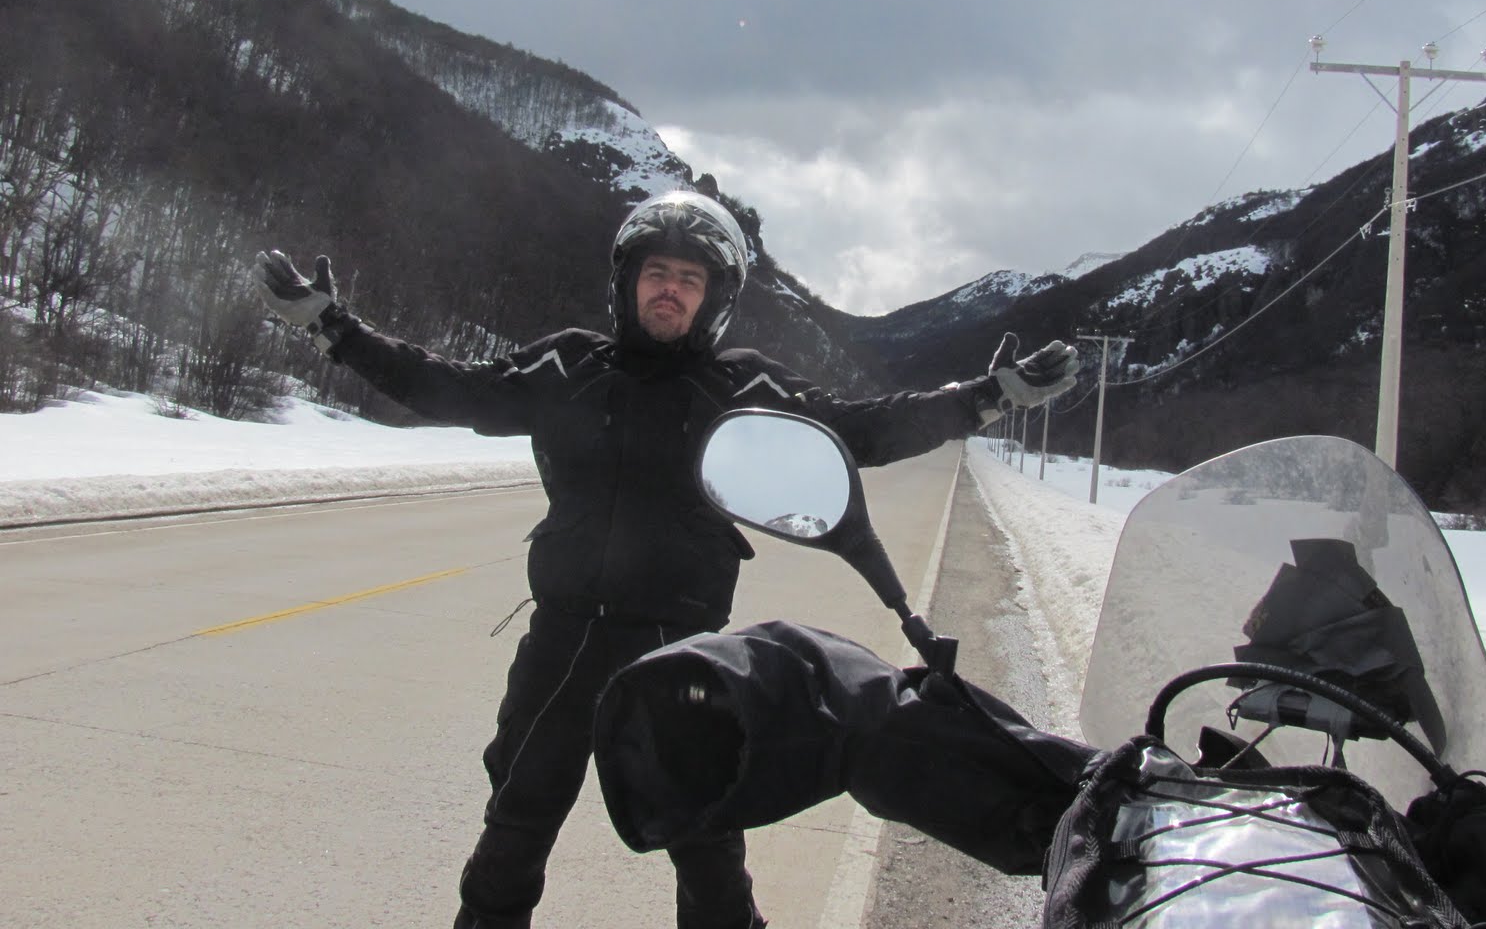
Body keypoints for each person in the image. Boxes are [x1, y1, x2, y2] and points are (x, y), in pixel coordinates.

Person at [249, 190, 1079, 929]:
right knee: (515, 828)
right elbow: (447, 387)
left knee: (709, 848)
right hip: (564, 642)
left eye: (689, 277)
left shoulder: (745, 385)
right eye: (656, 272)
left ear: (716, 296)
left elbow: (862, 428)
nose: (670, 289)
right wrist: (334, 328)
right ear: (627, 281)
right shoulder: (568, 364)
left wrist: (988, 398)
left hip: (685, 649)